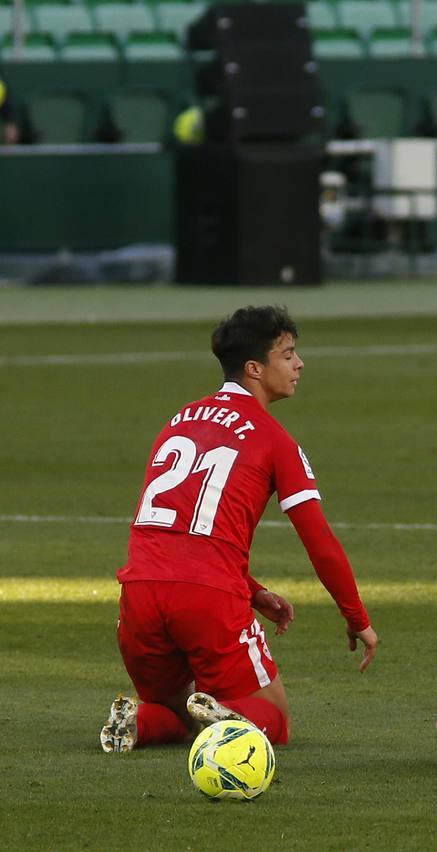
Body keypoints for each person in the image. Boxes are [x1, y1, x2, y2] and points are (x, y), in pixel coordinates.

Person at [101, 306, 378, 753]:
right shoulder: (275, 438)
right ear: (255, 368)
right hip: (208, 598)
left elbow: (177, 528)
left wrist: (252, 591)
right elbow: (320, 543)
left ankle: (140, 720)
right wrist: (356, 617)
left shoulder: (179, 420)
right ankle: (234, 718)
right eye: (288, 354)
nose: (299, 364)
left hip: (139, 593)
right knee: (275, 720)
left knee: (176, 707)